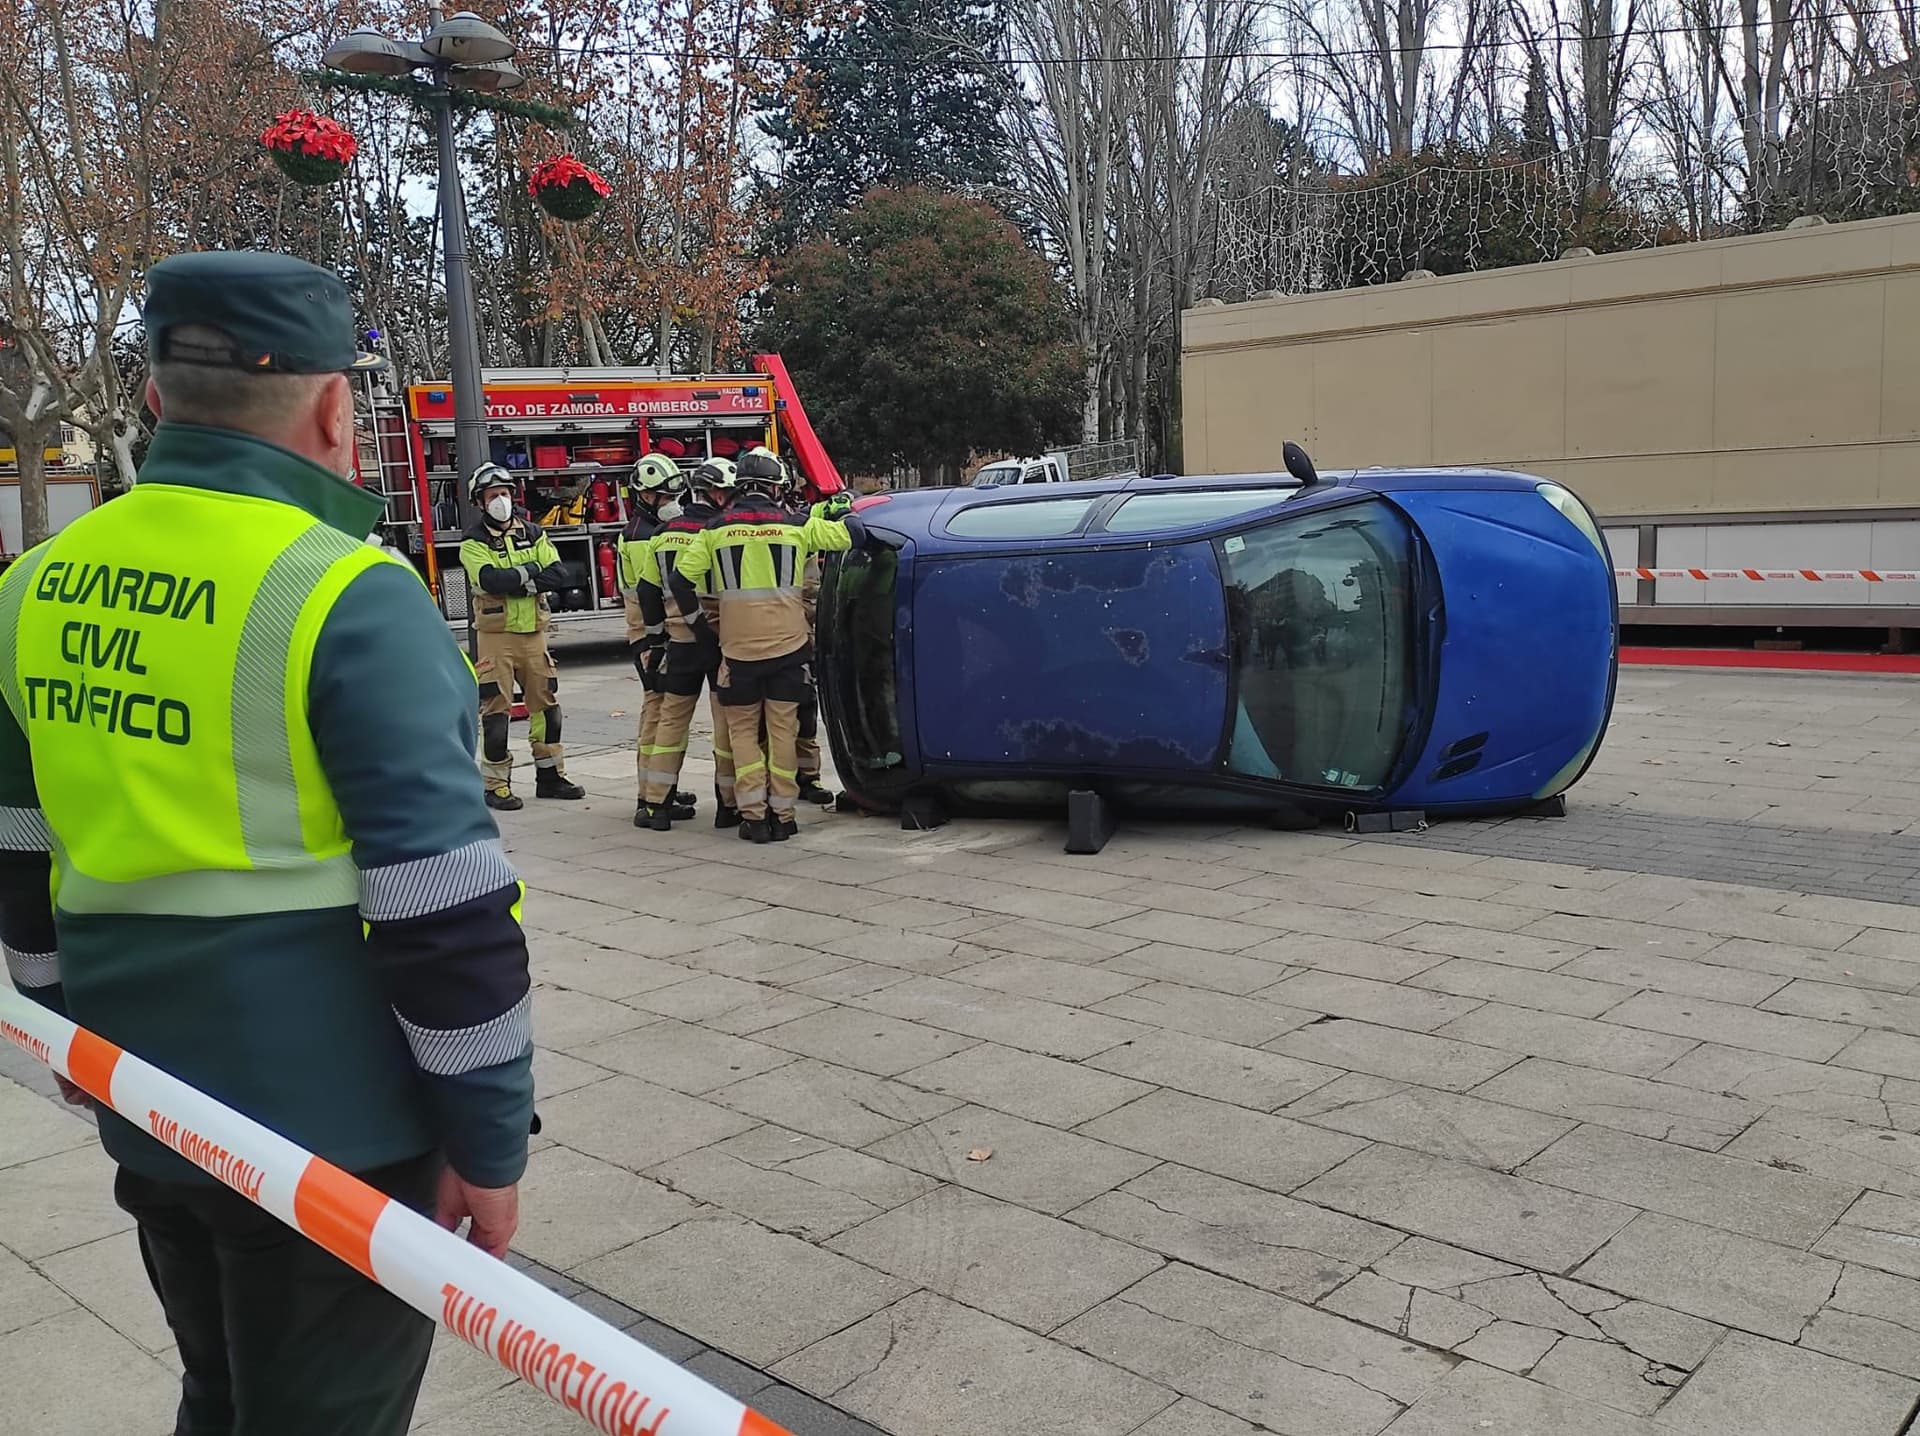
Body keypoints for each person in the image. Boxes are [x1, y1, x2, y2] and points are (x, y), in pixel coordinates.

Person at [0, 250, 534, 1436]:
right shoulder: (348, 592)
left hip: (146, 1097)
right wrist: (490, 1137)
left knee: (224, 1389)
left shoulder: (30, 587)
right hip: (331, 1130)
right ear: (337, 404)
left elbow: (19, 849)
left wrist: (75, 1045)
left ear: (150, 393)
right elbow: (443, 906)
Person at [674, 448, 857, 843]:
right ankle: (784, 815)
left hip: (737, 653)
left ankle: (753, 817)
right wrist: (844, 509)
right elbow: (849, 536)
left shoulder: (714, 530)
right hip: (789, 652)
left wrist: (703, 630)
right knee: (782, 734)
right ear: (777, 488)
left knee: (742, 737)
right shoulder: (797, 525)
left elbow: (679, 580)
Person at [460, 464, 585, 810]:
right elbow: (489, 581)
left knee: (547, 709)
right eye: (492, 496)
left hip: (533, 635)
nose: (500, 501)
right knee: (496, 714)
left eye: (504, 493)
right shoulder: (473, 541)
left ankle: (551, 777)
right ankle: (496, 785)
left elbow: (558, 573)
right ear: (480, 503)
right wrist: (532, 573)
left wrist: (518, 579)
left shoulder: (532, 531)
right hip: (496, 638)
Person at [631, 458, 738, 830]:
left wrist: (656, 640)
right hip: (716, 638)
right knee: (725, 724)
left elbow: (646, 591)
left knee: (671, 723)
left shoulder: (663, 533)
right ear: (717, 492)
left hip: (678, 643)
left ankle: (655, 806)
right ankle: (729, 807)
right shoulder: (720, 529)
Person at [619, 455, 697, 826]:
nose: (670, 504)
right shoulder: (641, 537)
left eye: (673, 496)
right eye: (661, 498)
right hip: (649, 633)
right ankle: (649, 794)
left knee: (661, 711)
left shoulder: (647, 530)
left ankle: (660, 786)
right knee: (658, 712)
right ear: (644, 497)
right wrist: (656, 643)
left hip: (652, 631)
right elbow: (654, 592)